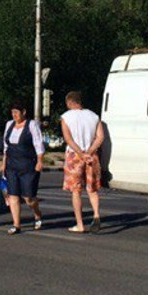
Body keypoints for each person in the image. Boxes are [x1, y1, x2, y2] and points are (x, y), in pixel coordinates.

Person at [60, 90, 104, 233]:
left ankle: (80, 224)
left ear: (69, 102)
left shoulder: (66, 117)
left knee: (76, 191)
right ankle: (96, 215)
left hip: (74, 156)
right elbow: (100, 137)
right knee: (92, 189)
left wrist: (80, 153)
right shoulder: (94, 116)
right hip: (91, 156)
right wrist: (89, 152)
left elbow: (68, 139)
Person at [1, 97, 44, 235]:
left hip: (27, 165)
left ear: (23, 112)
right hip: (12, 165)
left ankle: (37, 213)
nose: (14, 115)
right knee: (13, 195)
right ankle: (16, 224)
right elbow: (6, 147)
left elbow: (38, 144)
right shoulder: (9, 125)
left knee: (28, 197)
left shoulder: (31, 125)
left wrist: (39, 161)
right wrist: (3, 164)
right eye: (12, 112)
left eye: (16, 112)